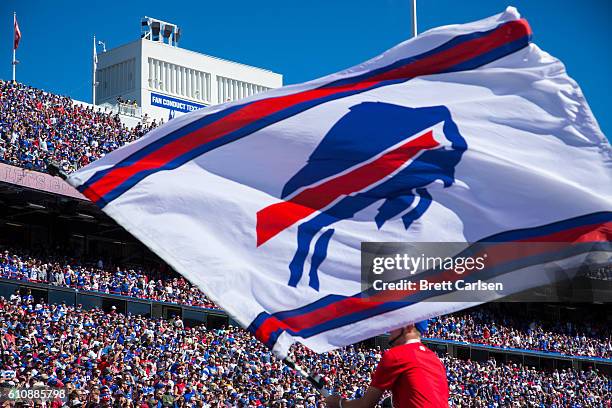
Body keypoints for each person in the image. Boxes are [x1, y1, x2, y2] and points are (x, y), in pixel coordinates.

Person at [324, 320, 449, 408]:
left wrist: (339, 403)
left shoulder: (396, 355)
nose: (390, 329)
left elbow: (365, 404)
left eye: (395, 324)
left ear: (409, 326)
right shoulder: (435, 359)